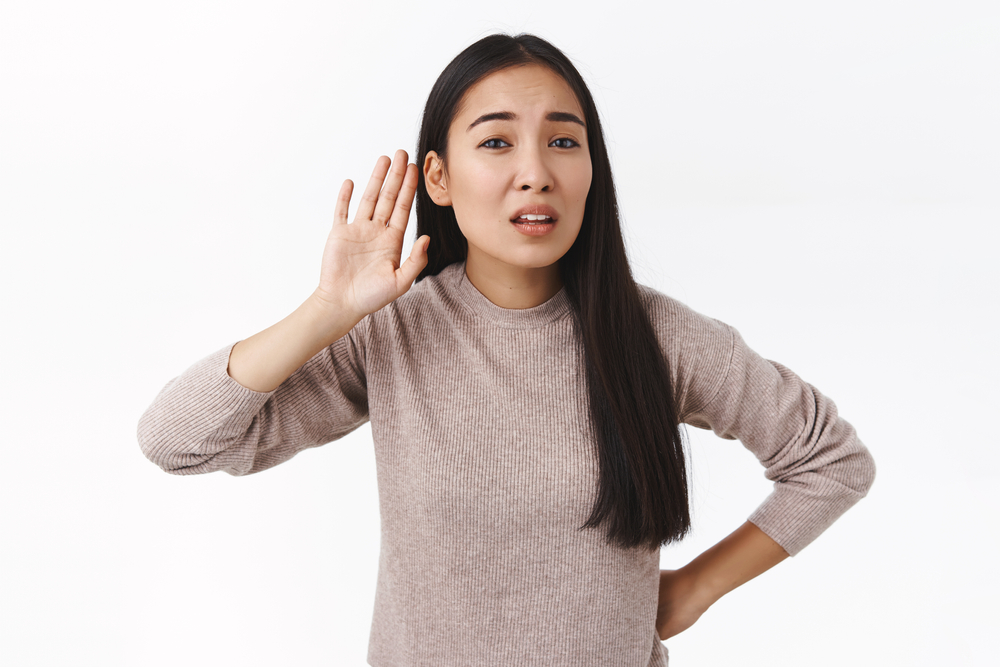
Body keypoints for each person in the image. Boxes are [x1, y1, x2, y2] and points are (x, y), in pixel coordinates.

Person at [137, 33, 876, 666]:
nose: (536, 171)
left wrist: (691, 590)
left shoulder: (658, 336)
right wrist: (327, 310)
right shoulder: (393, 332)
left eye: (564, 140)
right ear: (439, 178)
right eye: (496, 141)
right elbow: (177, 440)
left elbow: (831, 461)